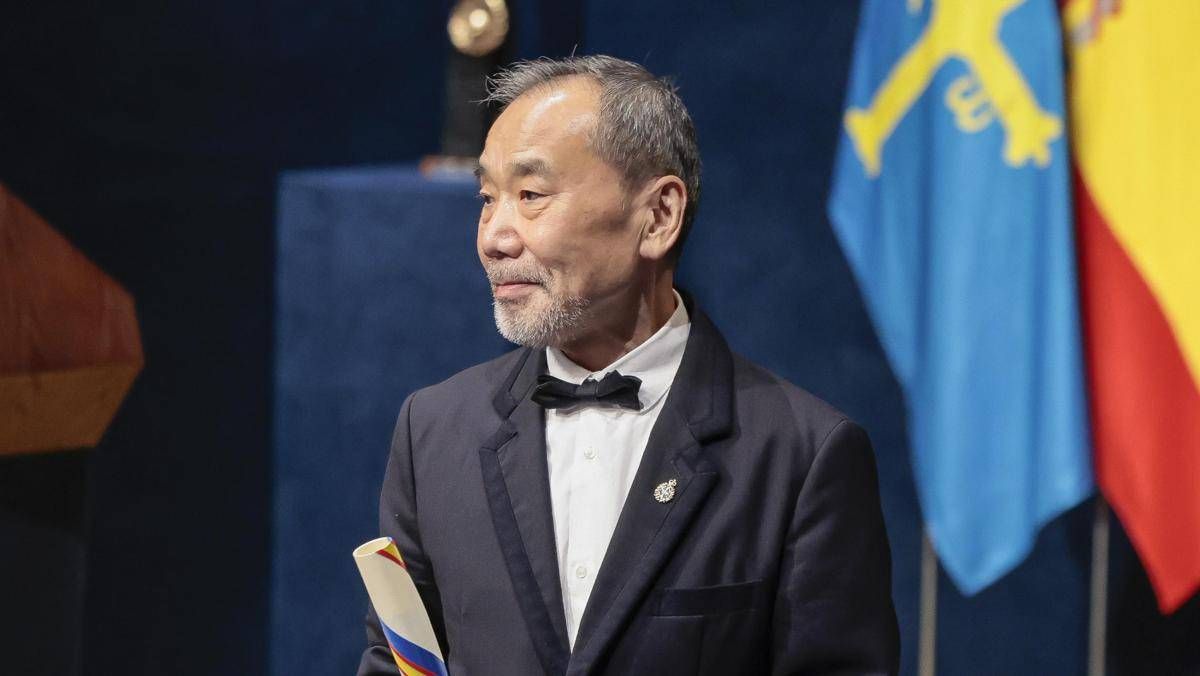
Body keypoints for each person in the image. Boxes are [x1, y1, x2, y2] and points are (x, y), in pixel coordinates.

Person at [357, 55, 899, 676]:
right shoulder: (431, 432)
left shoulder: (803, 457)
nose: (494, 238)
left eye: (531, 196)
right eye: (487, 198)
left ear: (659, 216)